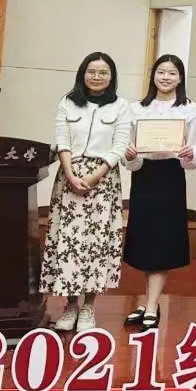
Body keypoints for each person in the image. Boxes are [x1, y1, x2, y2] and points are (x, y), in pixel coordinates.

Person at [42, 52, 131, 332]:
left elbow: (119, 146)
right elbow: (62, 140)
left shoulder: (121, 106)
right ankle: (70, 305)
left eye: (103, 72)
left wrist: (93, 176)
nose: (96, 77)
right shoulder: (68, 102)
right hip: (69, 177)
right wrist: (70, 174)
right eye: (91, 71)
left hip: (103, 180)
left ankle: (89, 306)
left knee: (97, 244)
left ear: (111, 77)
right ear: (83, 73)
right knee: (68, 242)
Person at [122, 54, 196, 330]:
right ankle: (147, 302)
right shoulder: (136, 109)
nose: (166, 77)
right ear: (153, 75)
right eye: (161, 72)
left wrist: (189, 154)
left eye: (172, 73)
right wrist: (130, 155)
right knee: (144, 241)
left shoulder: (190, 111)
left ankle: (152, 305)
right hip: (144, 177)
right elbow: (128, 157)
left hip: (170, 177)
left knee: (161, 241)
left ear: (180, 78)